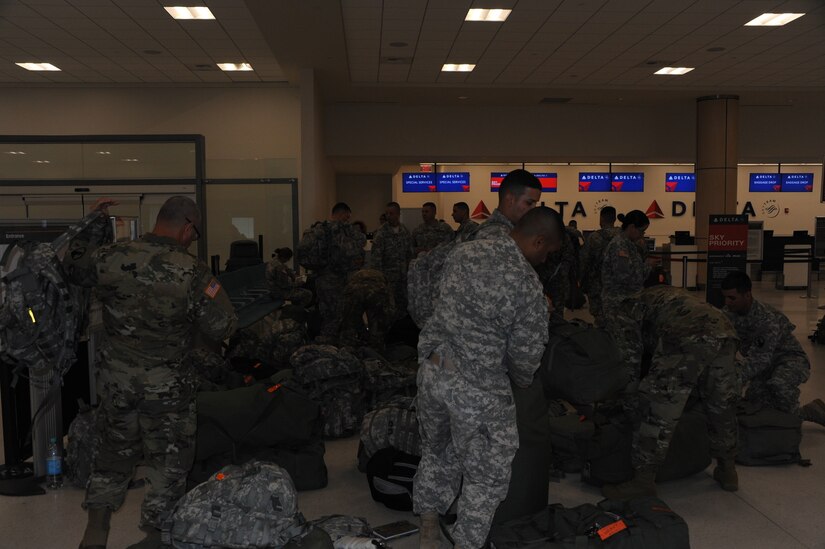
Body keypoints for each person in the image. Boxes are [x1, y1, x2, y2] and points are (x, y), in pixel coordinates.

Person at [73, 196, 237, 549]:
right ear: (188, 227)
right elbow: (223, 325)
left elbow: (73, 265)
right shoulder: (192, 271)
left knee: (111, 457)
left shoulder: (111, 257)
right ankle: (155, 538)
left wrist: (90, 224)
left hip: (116, 383)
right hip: (167, 392)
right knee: (167, 465)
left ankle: (96, 531)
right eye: (196, 233)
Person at [414, 206, 562, 549]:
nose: (545, 259)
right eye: (548, 252)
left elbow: (428, 295)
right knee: (487, 475)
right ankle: (467, 544)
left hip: (434, 373)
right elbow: (526, 357)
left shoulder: (465, 250)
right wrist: (522, 378)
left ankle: (428, 527)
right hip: (478, 389)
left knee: (438, 451)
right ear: (539, 241)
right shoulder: (525, 282)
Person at [602, 284, 740, 500]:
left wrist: (629, 403)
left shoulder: (621, 311)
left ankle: (643, 481)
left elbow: (630, 363)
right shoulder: (659, 294)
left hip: (684, 333)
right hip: (723, 328)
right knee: (721, 403)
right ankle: (727, 469)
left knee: (658, 407)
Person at [721, 271, 824, 424]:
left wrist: (736, 378)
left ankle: (809, 412)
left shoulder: (766, 319)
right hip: (764, 365)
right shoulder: (729, 314)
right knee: (756, 405)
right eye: (725, 297)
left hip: (788, 360)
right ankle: (798, 413)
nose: (727, 302)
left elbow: (759, 360)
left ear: (747, 295)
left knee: (779, 386)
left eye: (732, 298)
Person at [297, 202, 366, 342]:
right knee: (342, 314)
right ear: (342, 214)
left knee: (327, 314)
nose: (348, 221)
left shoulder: (318, 229)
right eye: (347, 217)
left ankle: (327, 346)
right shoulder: (345, 230)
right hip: (340, 279)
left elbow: (302, 251)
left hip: (322, 279)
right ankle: (340, 346)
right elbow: (361, 243)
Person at [600, 210, 652, 331]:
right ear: (632, 227)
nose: (642, 234)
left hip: (626, 303)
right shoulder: (620, 245)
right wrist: (648, 266)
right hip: (618, 305)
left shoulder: (629, 244)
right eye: (641, 231)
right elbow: (625, 277)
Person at [369, 201, 414, 321]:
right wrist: (379, 279)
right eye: (387, 213)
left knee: (403, 306)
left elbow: (409, 254)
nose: (388, 216)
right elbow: (376, 258)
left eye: (391, 213)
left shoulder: (404, 231)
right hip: (388, 278)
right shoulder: (381, 233)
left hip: (403, 278)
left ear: (398, 214)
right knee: (388, 307)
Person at [475, 169, 542, 241]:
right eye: (529, 203)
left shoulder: (511, 232)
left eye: (535, 204)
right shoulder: (496, 236)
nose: (533, 209)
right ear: (511, 200)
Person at [579, 206, 619, 326]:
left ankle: (603, 340)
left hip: (596, 284)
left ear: (601, 218)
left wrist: (580, 281)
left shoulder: (594, 237)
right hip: (617, 285)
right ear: (615, 218)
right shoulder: (622, 237)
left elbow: (584, 261)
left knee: (600, 317)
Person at [338, 268, 396, 350]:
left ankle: (347, 348)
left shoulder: (355, 277)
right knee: (377, 324)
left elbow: (345, 314)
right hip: (377, 289)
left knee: (349, 323)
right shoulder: (385, 280)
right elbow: (389, 312)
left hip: (353, 288)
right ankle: (376, 349)